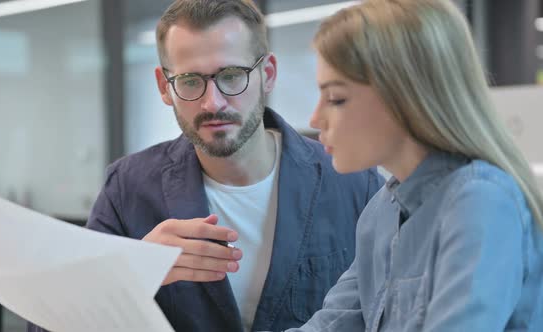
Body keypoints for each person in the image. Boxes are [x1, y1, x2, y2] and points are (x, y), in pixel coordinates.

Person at [28, 1, 381, 331]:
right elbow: (53, 321)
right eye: (190, 81)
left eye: (231, 76)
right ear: (164, 87)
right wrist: (135, 268)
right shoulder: (128, 186)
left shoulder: (353, 181)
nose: (212, 102)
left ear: (268, 74)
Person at [282, 0, 543, 331]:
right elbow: (331, 325)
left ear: (404, 96)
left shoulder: (480, 202)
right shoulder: (381, 210)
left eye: (336, 98)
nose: (316, 118)